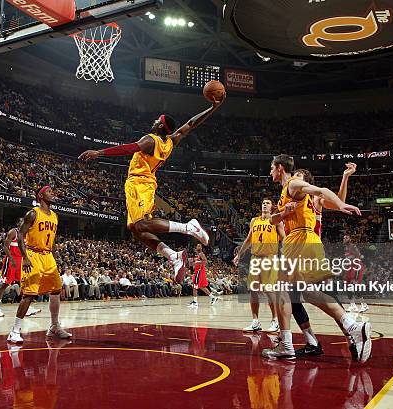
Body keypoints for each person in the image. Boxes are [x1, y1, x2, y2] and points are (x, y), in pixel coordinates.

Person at [78, 95, 226, 282]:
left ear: (160, 126)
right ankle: (173, 256)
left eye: (157, 120)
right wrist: (213, 107)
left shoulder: (151, 140)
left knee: (141, 225)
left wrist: (99, 152)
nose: (154, 121)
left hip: (139, 183)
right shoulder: (171, 141)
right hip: (144, 183)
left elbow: (128, 148)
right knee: (136, 230)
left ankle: (189, 227)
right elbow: (191, 124)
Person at [262, 154, 372, 363]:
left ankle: (288, 345)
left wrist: (340, 203)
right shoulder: (285, 194)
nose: (270, 171)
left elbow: (323, 192)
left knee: (284, 290)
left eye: (271, 167)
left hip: (302, 241)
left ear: (280, 168)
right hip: (303, 242)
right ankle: (351, 328)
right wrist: (284, 213)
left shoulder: (297, 187)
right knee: (309, 294)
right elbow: (274, 220)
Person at [7, 186, 71, 344]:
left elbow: (53, 240)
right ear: (41, 196)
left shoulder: (55, 216)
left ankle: (54, 326)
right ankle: (14, 331)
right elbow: (20, 233)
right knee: (29, 294)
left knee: (56, 290)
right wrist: (25, 257)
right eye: (49, 192)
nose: (53, 193)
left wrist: (54, 258)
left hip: (48, 256)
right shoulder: (33, 213)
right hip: (33, 254)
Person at [234, 198, 285, 333]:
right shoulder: (254, 221)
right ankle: (255, 321)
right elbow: (249, 239)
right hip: (255, 258)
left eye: (267, 203)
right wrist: (239, 255)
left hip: (269, 258)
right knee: (253, 290)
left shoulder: (276, 221)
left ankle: (275, 320)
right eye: (263, 203)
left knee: (269, 290)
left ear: (272, 207)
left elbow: (284, 239)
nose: (264, 205)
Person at [0, 220, 40, 317]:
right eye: (23, 222)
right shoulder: (13, 232)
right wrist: (11, 259)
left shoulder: (27, 234)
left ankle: (26, 308)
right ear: (18, 224)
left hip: (21, 261)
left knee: (24, 283)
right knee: (5, 284)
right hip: (11, 260)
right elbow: (5, 246)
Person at [187, 244, 218, 308]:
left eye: (199, 246)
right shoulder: (196, 255)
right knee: (201, 287)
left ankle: (195, 302)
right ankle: (213, 297)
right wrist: (192, 264)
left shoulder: (201, 254)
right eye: (197, 246)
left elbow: (205, 262)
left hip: (199, 271)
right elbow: (195, 264)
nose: (198, 247)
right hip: (198, 271)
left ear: (201, 248)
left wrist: (196, 263)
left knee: (194, 286)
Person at [343, 234, 368, 312]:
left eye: (346, 238)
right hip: (350, 269)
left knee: (355, 288)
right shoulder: (346, 248)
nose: (344, 239)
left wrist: (356, 273)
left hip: (356, 268)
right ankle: (352, 305)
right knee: (347, 287)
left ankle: (364, 305)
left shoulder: (353, 247)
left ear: (350, 239)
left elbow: (358, 258)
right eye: (343, 238)